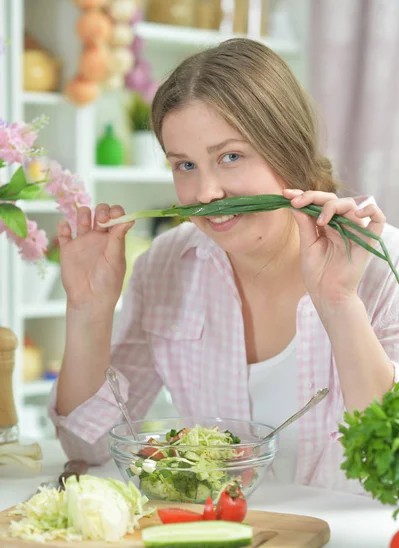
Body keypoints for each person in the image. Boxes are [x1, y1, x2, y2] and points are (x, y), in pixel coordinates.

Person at [48, 38, 399, 492]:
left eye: (230, 157)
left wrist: (339, 300)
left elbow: (389, 457)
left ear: (288, 150)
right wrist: (88, 311)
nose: (205, 193)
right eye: (186, 165)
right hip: (227, 541)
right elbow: (86, 448)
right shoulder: (166, 266)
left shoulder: (382, 262)